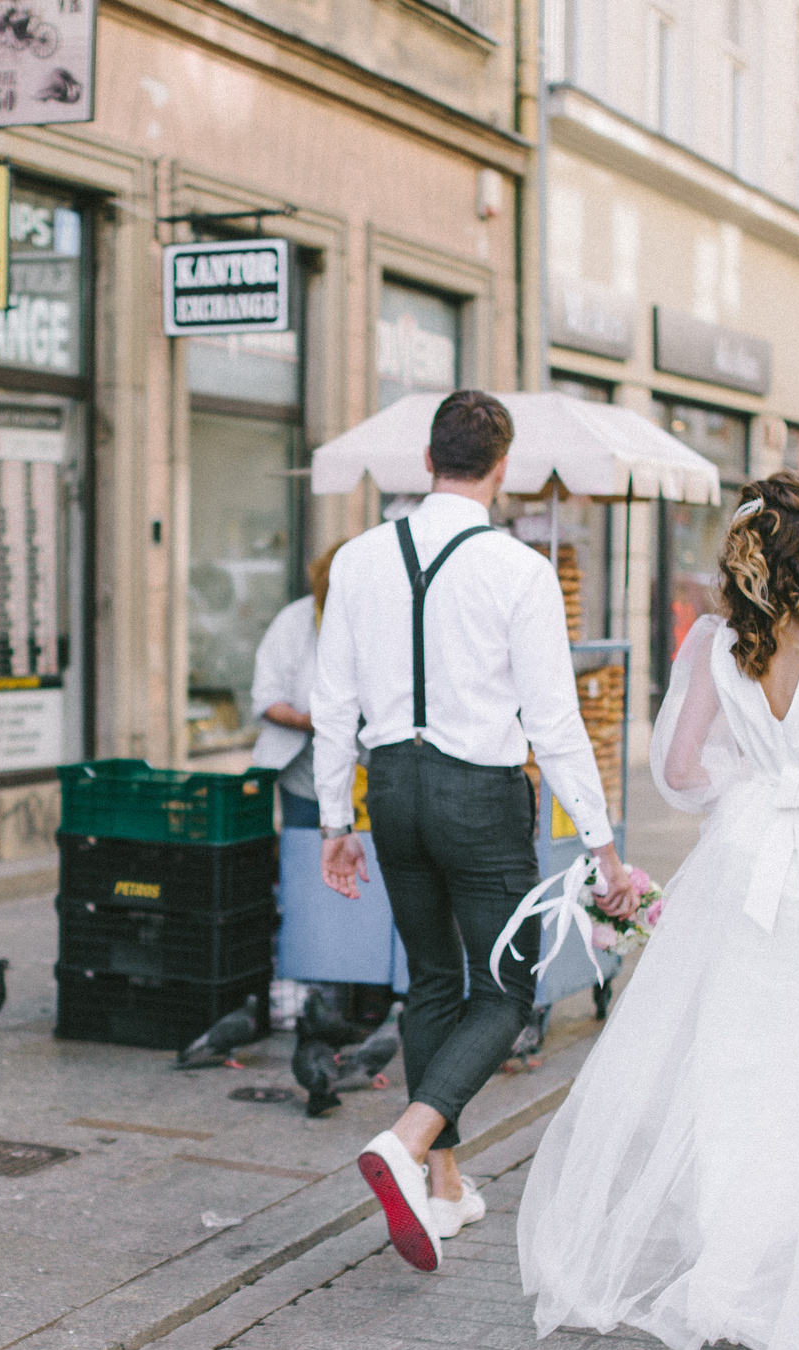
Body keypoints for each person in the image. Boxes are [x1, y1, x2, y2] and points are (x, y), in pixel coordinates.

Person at [518, 471, 799, 1350]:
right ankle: (797, 1271)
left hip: (751, 861)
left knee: (735, 1058)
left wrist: (750, 792)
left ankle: (727, 1267)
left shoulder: (718, 644)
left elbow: (679, 766)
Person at [311, 390, 640, 1275]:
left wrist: (335, 817)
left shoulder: (357, 559)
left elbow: (331, 701)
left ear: (426, 461)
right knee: (506, 994)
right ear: (503, 471)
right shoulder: (518, 570)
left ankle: (445, 1186)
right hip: (481, 794)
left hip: (395, 788)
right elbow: (555, 722)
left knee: (429, 979)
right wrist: (603, 846)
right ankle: (410, 1143)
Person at [248, 544, 342, 828]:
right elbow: (266, 697)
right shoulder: (293, 621)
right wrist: (304, 720)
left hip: (363, 777)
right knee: (304, 853)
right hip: (302, 775)